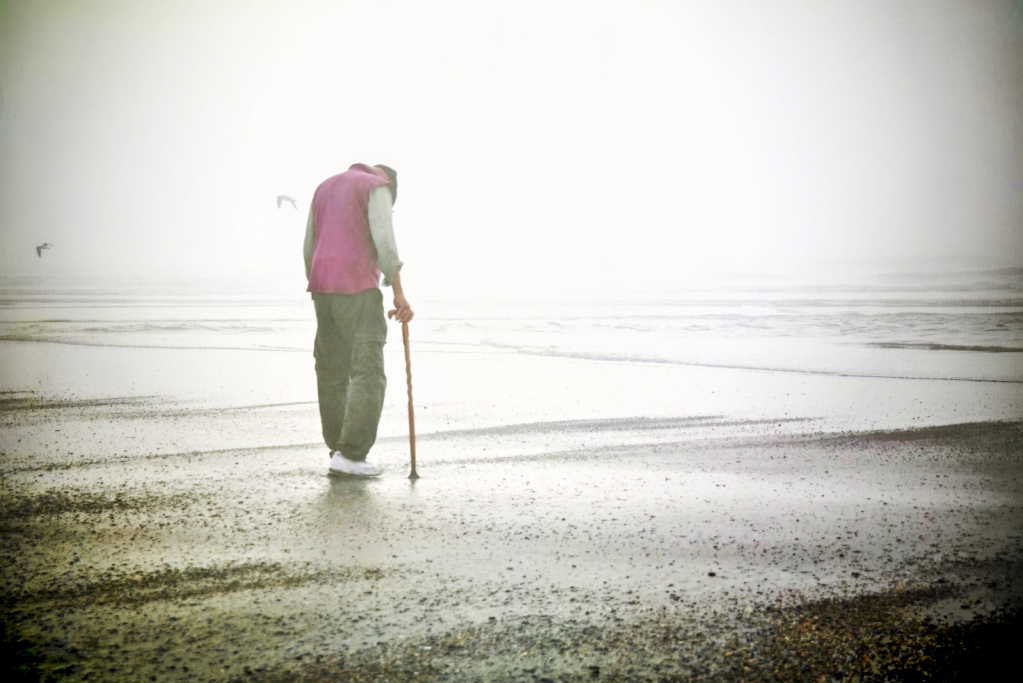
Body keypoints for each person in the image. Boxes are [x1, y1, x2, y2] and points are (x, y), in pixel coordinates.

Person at [303, 163, 413, 477]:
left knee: (332, 371)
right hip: (358, 287)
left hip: (322, 289)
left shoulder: (324, 187)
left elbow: (308, 247)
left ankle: (338, 449)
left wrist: (322, 284)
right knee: (368, 371)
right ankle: (351, 456)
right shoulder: (375, 187)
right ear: (389, 184)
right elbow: (385, 242)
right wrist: (398, 294)